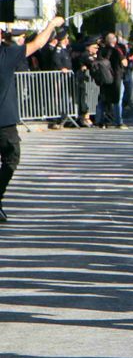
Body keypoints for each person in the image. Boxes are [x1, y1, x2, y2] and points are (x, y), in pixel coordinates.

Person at [0, 17, 65, 221]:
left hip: (5, 119)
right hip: (3, 120)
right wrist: (51, 25)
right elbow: (37, 43)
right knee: (11, 158)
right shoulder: (6, 54)